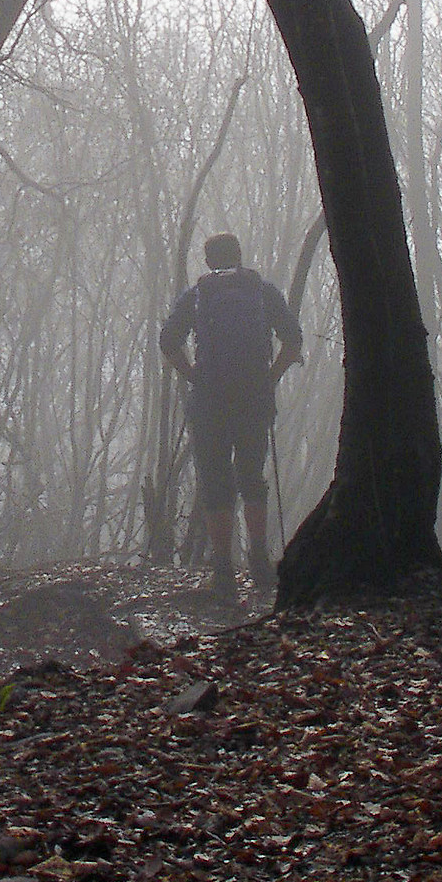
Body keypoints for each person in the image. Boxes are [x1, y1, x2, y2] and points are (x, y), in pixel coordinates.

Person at [159, 232, 302, 604]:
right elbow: (293, 340)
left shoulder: (198, 294)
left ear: (208, 261)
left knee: (215, 482)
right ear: (239, 256)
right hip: (254, 398)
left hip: (209, 400)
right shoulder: (262, 291)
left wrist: (192, 375)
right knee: (252, 478)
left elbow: (168, 341)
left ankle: (222, 570)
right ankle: (259, 561)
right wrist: (270, 378)